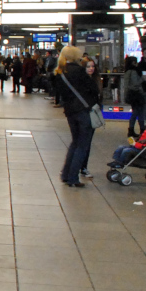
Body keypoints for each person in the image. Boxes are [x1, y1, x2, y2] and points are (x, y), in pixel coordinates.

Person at [57, 45, 101, 187]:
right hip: (83, 111)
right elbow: (94, 89)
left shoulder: (59, 72)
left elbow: (59, 93)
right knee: (82, 145)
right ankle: (73, 178)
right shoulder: (79, 71)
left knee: (75, 142)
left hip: (70, 111)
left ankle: (65, 174)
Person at [120, 56, 144, 139]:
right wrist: (143, 79)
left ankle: (131, 130)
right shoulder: (133, 71)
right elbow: (135, 83)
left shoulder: (127, 71)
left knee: (135, 112)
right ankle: (141, 129)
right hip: (136, 94)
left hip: (130, 95)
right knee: (139, 112)